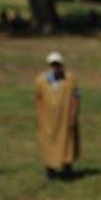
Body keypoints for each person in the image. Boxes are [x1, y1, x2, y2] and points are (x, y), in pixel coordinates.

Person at [34, 51, 81, 180]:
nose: (56, 67)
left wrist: (73, 116)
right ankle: (50, 170)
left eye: (58, 64)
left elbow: (77, 97)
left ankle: (67, 168)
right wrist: (40, 116)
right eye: (53, 64)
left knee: (67, 142)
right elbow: (37, 99)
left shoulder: (70, 79)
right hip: (48, 120)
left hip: (66, 118)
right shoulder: (41, 80)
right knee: (49, 143)